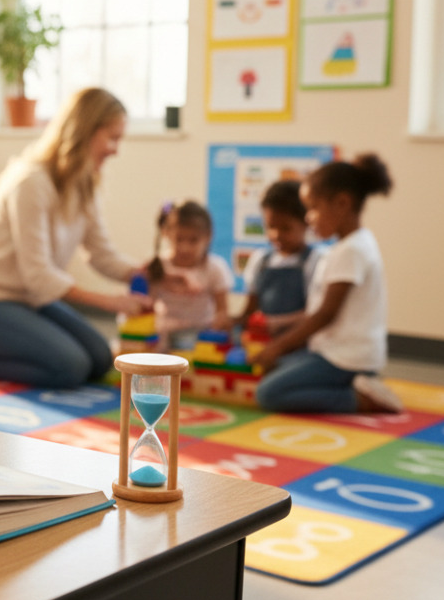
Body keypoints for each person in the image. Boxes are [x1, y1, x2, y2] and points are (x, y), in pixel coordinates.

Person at [0, 87, 153, 388]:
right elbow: (38, 276)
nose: (116, 149)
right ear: (85, 132)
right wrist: (111, 302)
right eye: (112, 138)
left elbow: (100, 253)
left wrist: (146, 273)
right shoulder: (30, 182)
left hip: (26, 300)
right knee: (71, 367)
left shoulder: (84, 183)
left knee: (101, 359)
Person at [253, 153, 400, 414]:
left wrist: (278, 345)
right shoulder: (351, 245)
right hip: (332, 353)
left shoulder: (350, 251)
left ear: (342, 203)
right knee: (276, 367)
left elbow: (325, 315)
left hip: (345, 359)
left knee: (268, 394)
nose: (309, 218)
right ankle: (361, 384)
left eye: (312, 208)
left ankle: (360, 398)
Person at [144, 199, 234, 350]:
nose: (185, 248)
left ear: (208, 236)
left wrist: (220, 323)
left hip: (201, 337)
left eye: (193, 240)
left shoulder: (215, 268)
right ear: (166, 233)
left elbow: (222, 311)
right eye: (179, 239)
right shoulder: (158, 266)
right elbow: (148, 306)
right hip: (163, 337)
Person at [238, 179, 323, 337]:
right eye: (271, 227)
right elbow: (248, 312)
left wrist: (277, 322)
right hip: (262, 341)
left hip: (298, 342)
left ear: (306, 223)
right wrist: (231, 322)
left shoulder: (316, 261)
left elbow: (315, 315)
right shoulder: (260, 260)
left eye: (286, 228)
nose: (276, 235)